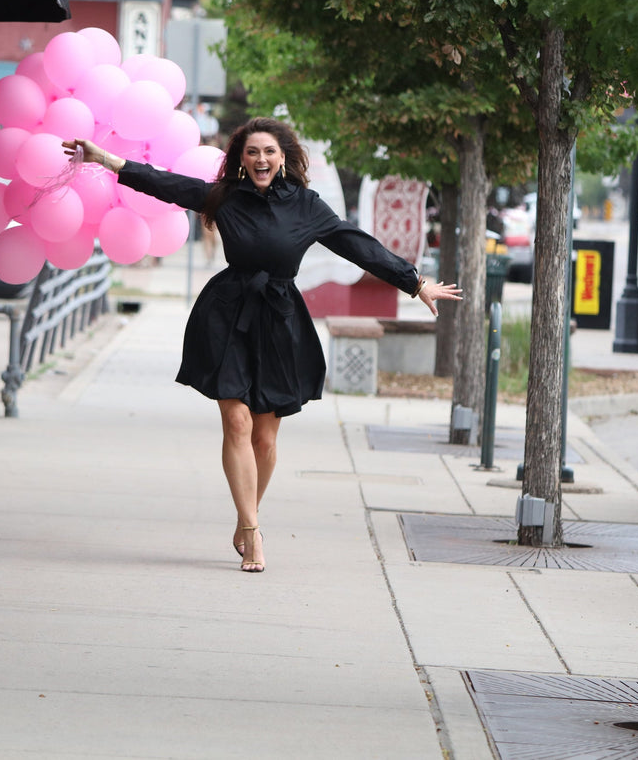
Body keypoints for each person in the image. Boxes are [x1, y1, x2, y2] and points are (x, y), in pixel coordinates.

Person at [63, 118, 461, 573]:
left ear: (283, 158)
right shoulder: (225, 197)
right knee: (237, 422)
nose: (261, 159)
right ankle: (252, 533)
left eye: (269, 151)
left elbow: (357, 245)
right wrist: (105, 159)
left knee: (265, 439)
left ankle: (244, 514)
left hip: (279, 321)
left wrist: (415, 283)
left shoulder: (308, 206)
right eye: (252, 152)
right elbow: (165, 184)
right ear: (241, 159)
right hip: (227, 316)